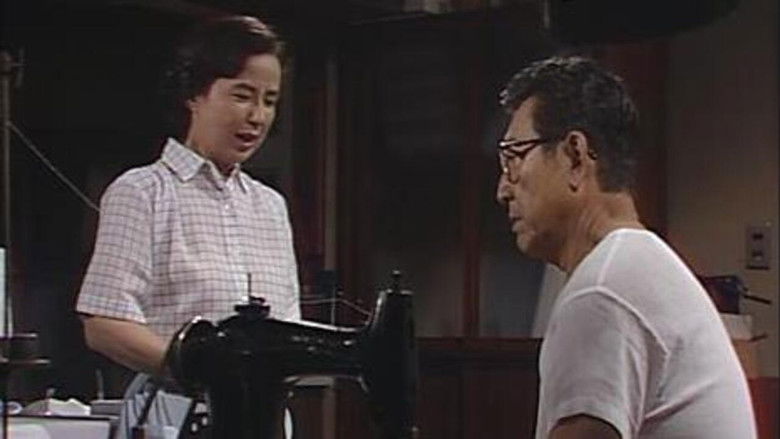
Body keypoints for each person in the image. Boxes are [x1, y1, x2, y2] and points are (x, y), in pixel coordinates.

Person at [495, 56, 756, 439]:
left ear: (575, 156)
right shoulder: (637, 265)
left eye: (514, 157)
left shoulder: (602, 293)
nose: (503, 190)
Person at [76, 15, 300, 378]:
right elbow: (105, 324)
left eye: (269, 101)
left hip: (265, 408)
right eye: (242, 96)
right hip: (178, 404)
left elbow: (289, 329)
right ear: (194, 95)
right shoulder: (142, 193)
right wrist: (201, 375)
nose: (257, 116)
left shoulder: (270, 206)